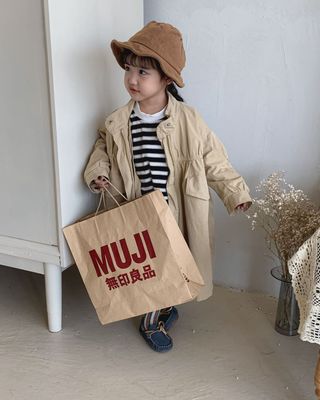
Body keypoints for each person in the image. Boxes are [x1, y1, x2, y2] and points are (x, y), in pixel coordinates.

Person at [83, 21, 252, 352]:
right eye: (128, 69)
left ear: (166, 79)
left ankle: (163, 308)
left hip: (175, 209)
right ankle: (150, 322)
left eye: (143, 72)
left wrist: (235, 193)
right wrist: (98, 172)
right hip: (137, 208)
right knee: (151, 267)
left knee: (172, 265)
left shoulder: (188, 120)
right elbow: (102, 146)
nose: (132, 79)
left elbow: (214, 158)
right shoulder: (119, 121)